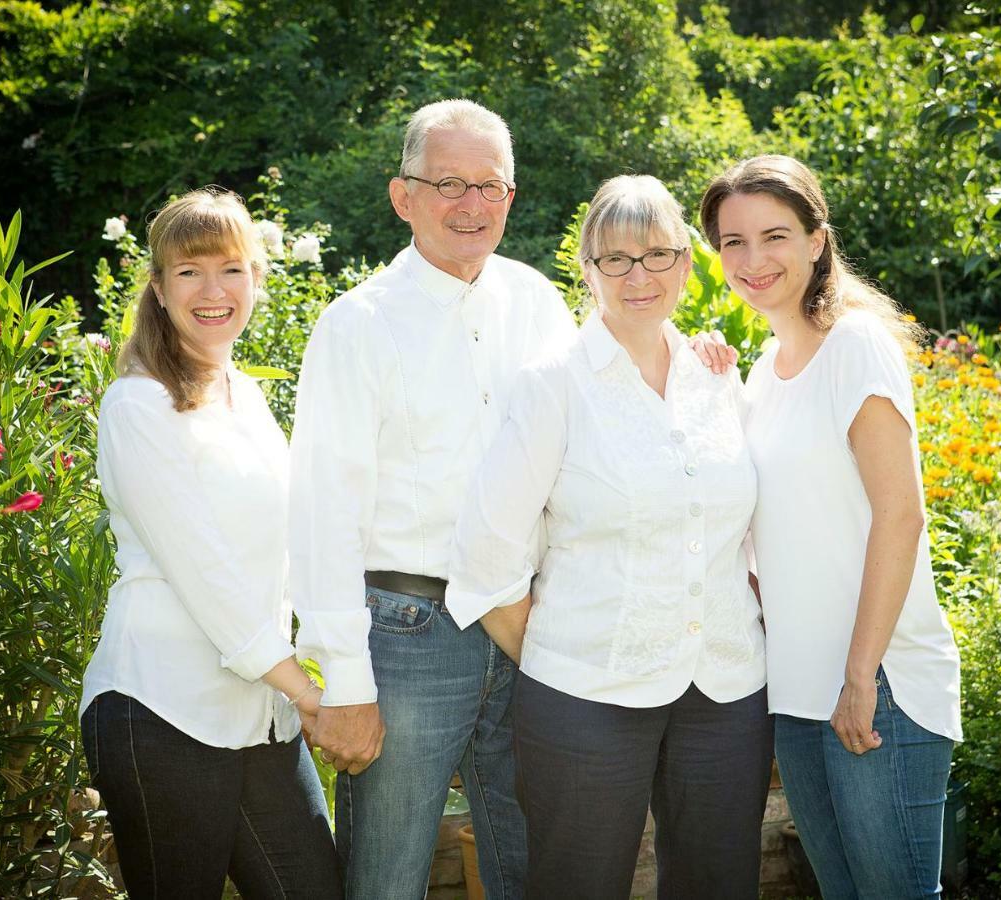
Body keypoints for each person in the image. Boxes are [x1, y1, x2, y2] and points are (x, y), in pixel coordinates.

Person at [446, 174, 773, 900]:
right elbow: (483, 553)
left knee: (719, 884)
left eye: (657, 255)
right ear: (587, 270)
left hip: (723, 686)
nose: (638, 276)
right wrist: (563, 652)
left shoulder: (716, 378)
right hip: (584, 695)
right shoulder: (552, 384)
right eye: (615, 259)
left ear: (687, 264)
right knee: (577, 885)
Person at [287, 99, 578, 900]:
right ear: (402, 195)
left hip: (526, 630)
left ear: (512, 197)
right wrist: (344, 680)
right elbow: (322, 508)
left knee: (534, 863)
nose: (472, 205)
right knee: (386, 879)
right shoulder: (357, 326)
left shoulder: (538, 304)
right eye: (448, 183)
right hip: (409, 636)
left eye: (491, 185)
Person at [700, 154, 964, 899]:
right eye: (732, 242)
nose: (753, 260)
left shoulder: (855, 346)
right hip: (796, 688)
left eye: (774, 235)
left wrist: (858, 675)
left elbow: (900, 513)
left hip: (877, 680)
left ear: (818, 240)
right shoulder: (758, 369)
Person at [79, 187, 341, 899]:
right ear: (159, 290)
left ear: (256, 279)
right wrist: (310, 697)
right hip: (161, 710)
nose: (212, 290)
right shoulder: (137, 405)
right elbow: (205, 574)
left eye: (230, 268)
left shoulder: (242, 396)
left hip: (257, 714)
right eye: (188, 271)